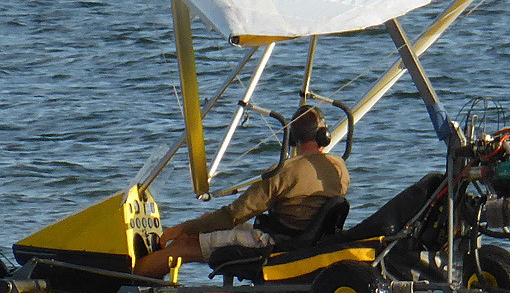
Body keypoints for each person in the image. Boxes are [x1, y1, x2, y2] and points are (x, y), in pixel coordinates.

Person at [133, 105, 349, 279]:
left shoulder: (285, 171)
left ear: (293, 139)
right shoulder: (339, 168)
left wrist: (180, 229)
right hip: (302, 241)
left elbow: (232, 216)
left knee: (185, 244)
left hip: (275, 245)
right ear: (324, 136)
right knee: (201, 233)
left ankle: (126, 282)